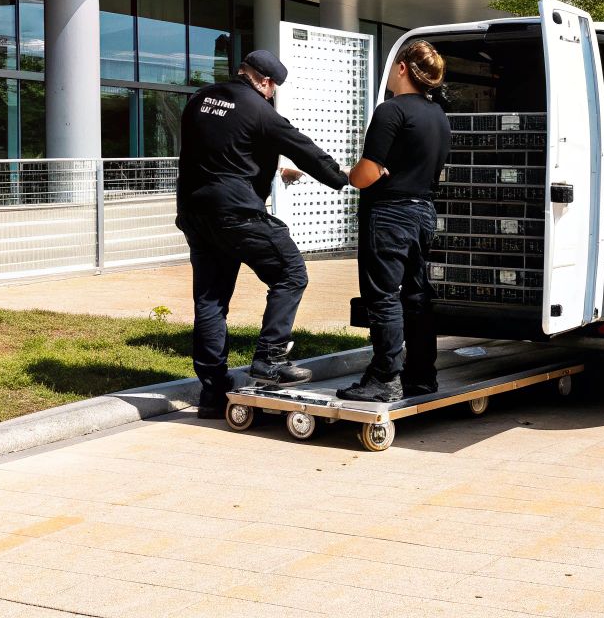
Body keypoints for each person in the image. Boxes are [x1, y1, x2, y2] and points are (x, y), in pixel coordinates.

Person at [177, 49, 350, 419]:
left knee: (210, 299)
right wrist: (343, 178)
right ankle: (269, 359)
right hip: (237, 214)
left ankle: (212, 392)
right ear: (266, 82)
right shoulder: (260, 111)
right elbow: (304, 150)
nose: (272, 95)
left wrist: (274, 171)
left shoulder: (199, 100)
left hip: (195, 213)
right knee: (291, 273)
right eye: (273, 89)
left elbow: (225, 150)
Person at [338, 40, 452, 403]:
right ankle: (422, 375)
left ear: (402, 68)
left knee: (383, 297)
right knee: (417, 297)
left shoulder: (391, 111)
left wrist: (353, 174)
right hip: (423, 212)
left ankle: (385, 377)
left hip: (389, 214)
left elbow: (366, 174)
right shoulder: (438, 117)